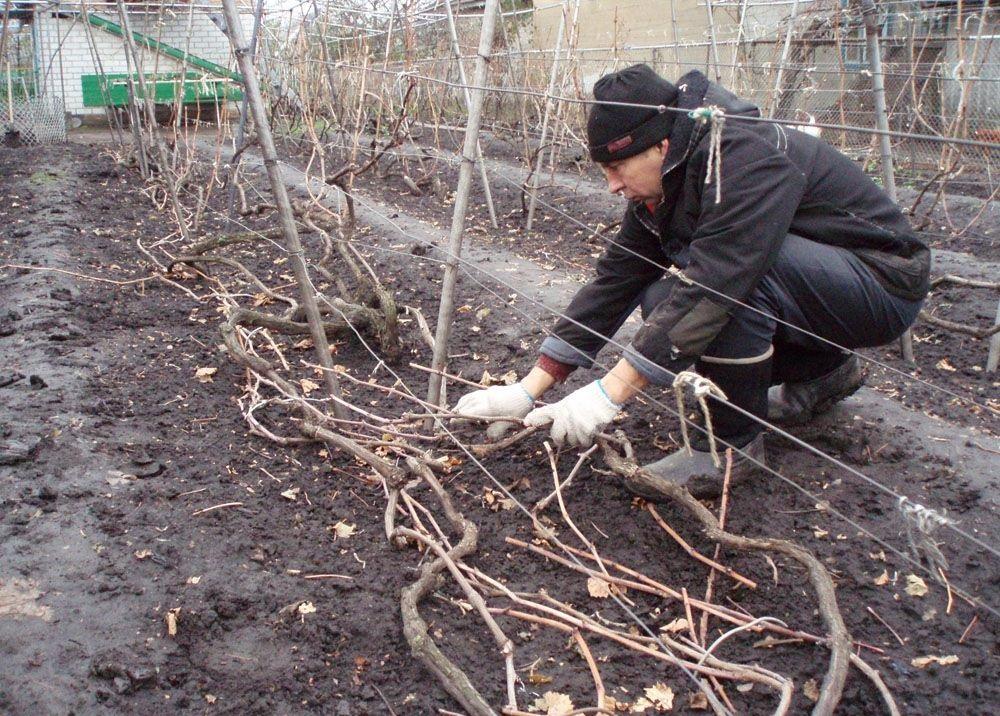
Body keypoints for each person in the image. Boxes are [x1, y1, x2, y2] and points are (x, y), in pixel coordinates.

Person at [455, 64, 929, 498]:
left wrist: (608, 394)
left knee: (727, 289)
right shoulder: (671, 175)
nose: (612, 186)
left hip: (882, 282)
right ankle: (821, 373)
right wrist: (530, 388)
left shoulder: (741, 156)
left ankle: (727, 452)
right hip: (821, 286)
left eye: (616, 169)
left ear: (660, 146)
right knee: (662, 296)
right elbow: (617, 277)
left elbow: (720, 279)